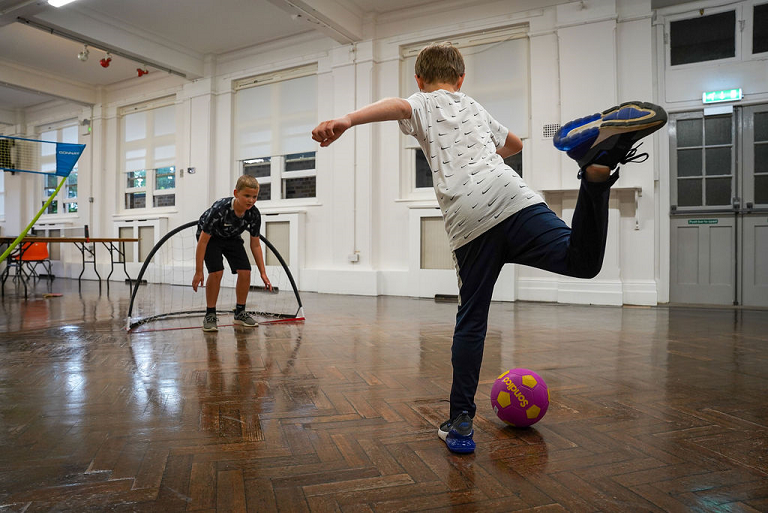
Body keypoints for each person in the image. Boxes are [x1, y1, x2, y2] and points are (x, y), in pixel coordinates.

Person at [311, 42, 666, 453]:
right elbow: (514, 144)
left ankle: (461, 422)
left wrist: (348, 120)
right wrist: (482, 153)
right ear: (462, 79)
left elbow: (399, 107)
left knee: (472, 318)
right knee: (582, 262)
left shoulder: (423, 102)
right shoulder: (473, 107)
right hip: (513, 196)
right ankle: (596, 172)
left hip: (470, 217)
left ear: (419, 80)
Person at [193, 175, 272, 332]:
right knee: (216, 272)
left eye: (254, 197)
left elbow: (255, 244)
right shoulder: (219, 210)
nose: (250, 200)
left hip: (232, 237)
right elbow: (202, 242)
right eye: (247, 196)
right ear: (236, 193)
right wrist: (198, 271)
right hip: (211, 239)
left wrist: (263, 273)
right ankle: (210, 314)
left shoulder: (254, 214)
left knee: (245, 271)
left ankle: (240, 312)